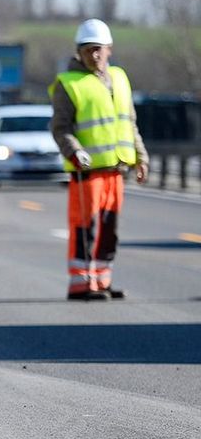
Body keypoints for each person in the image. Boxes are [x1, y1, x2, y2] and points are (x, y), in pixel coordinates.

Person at [49, 18, 149, 300]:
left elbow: (129, 123)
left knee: (108, 230)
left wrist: (141, 158)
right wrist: (73, 150)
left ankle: (102, 280)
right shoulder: (68, 84)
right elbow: (60, 127)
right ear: (78, 52)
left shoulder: (119, 78)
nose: (93, 55)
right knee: (85, 227)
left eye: (98, 49)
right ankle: (81, 283)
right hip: (87, 172)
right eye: (87, 50)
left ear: (109, 49)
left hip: (115, 170)